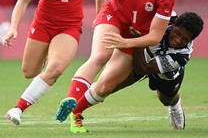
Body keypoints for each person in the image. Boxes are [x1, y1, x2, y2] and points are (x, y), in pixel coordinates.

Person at [55, 0, 176, 133]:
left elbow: (154, 36)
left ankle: (75, 112)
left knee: (105, 86)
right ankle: (70, 99)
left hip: (135, 35)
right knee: (99, 56)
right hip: (114, 15)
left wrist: (125, 42)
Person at [3, 0, 93, 126]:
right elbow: (22, 0)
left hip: (69, 28)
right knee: (29, 72)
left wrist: (101, 15)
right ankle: (47, 60)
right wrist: (13, 27)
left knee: (54, 69)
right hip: (43, 25)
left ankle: (17, 108)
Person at [63, 11, 204, 132]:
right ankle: (75, 111)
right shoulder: (166, 17)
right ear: (174, 25)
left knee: (166, 99)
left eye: (185, 39)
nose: (178, 40)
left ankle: (175, 104)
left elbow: (143, 69)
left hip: (161, 73)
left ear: (192, 40)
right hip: (140, 55)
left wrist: (136, 42)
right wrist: (103, 21)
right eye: (177, 33)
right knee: (107, 86)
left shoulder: (182, 56)